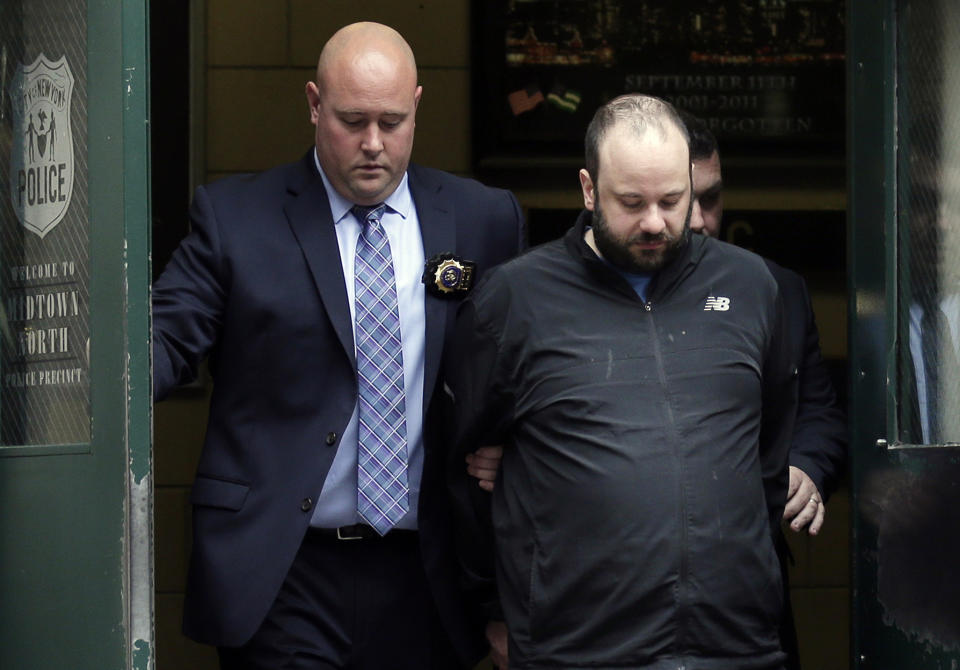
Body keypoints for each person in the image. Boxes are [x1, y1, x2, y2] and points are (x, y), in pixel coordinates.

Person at [152, 22, 524, 670]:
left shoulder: (485, 220)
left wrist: (514, 439)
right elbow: (164, 336)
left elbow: (528, 368)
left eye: (393, 121)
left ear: (418, 105)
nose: (374, 145)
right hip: (284, 567)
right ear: (314, 105)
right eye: (353, 121)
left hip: (429, 572)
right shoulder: (236, 218)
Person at [449, 94, 798, 669]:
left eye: (672, 200)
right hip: (579, 648)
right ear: (589, 190)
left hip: (736, 645)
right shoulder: (515, 301)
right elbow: (459, 472)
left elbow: (767, 456)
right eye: (632, 203)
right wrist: (494, 611)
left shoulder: (751, 286)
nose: (656, 223)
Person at [681, 110, 848, 670]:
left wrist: (803, 465)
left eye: (712, 198)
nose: (702, 221)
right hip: (626, 585)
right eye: (686, 199)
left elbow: (820, 412)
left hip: (750, 583)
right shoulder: (592, 293)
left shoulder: (777, 289)